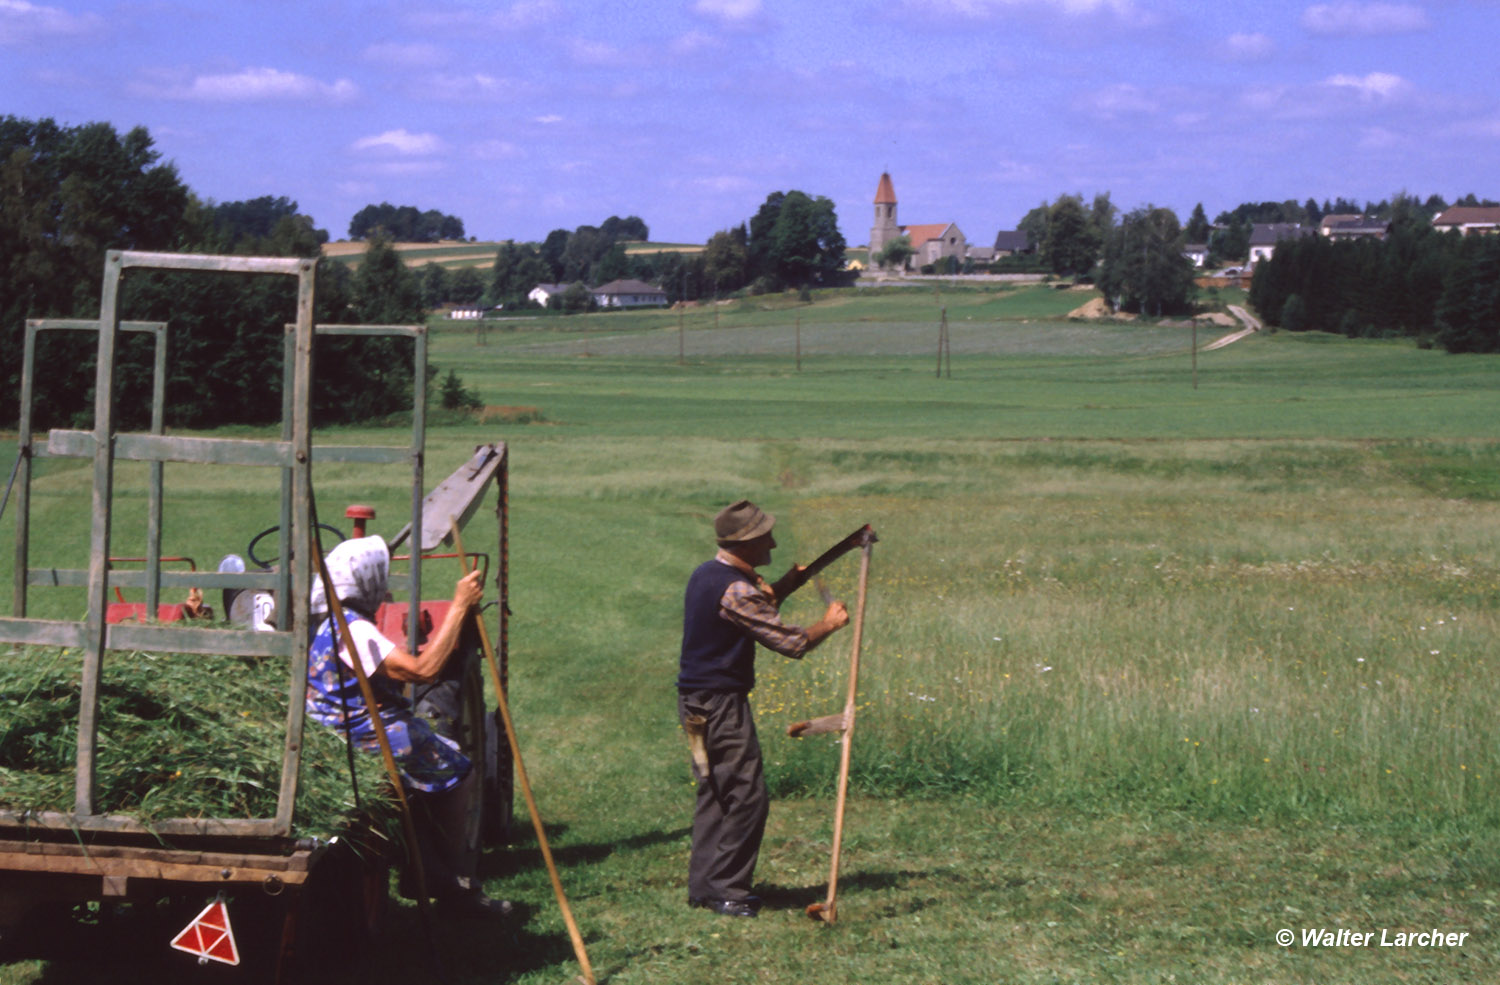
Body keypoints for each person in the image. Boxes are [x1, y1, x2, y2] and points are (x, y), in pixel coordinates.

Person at [306, 535, 510, 919]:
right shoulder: (355, 630)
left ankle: (424, 861)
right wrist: (460, 606)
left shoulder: (327, 625)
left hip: (329, 728)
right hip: (364, 732)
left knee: (431, 751)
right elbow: (424, 671)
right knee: (460, 772)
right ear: (366, 583)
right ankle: (446, 879)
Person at [677, 500, 850, 917]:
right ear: (748, 542)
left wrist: (790, 581)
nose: (773, 539)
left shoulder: (710, 573)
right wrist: (830, 623)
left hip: (697, 701)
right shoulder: (734, 587)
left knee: (716, 792)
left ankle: (706, 887)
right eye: (766, 534)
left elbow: (757, 607)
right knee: (746, 795)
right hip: (719, 705)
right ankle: (728, 892)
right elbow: (790, 642)